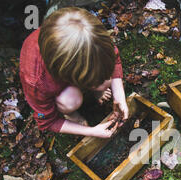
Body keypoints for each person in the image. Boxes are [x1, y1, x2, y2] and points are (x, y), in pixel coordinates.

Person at [19, 7, 129, 138]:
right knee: (70, 101)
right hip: (58, 85)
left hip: (70, 69)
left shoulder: (94, 41)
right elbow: (47, 121)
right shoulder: (36, 81)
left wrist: (119, 98)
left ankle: (97, 90)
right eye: (91, 81)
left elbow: (114, 58)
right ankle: (71, 114)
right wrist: (92, 131)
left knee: (105, 80)